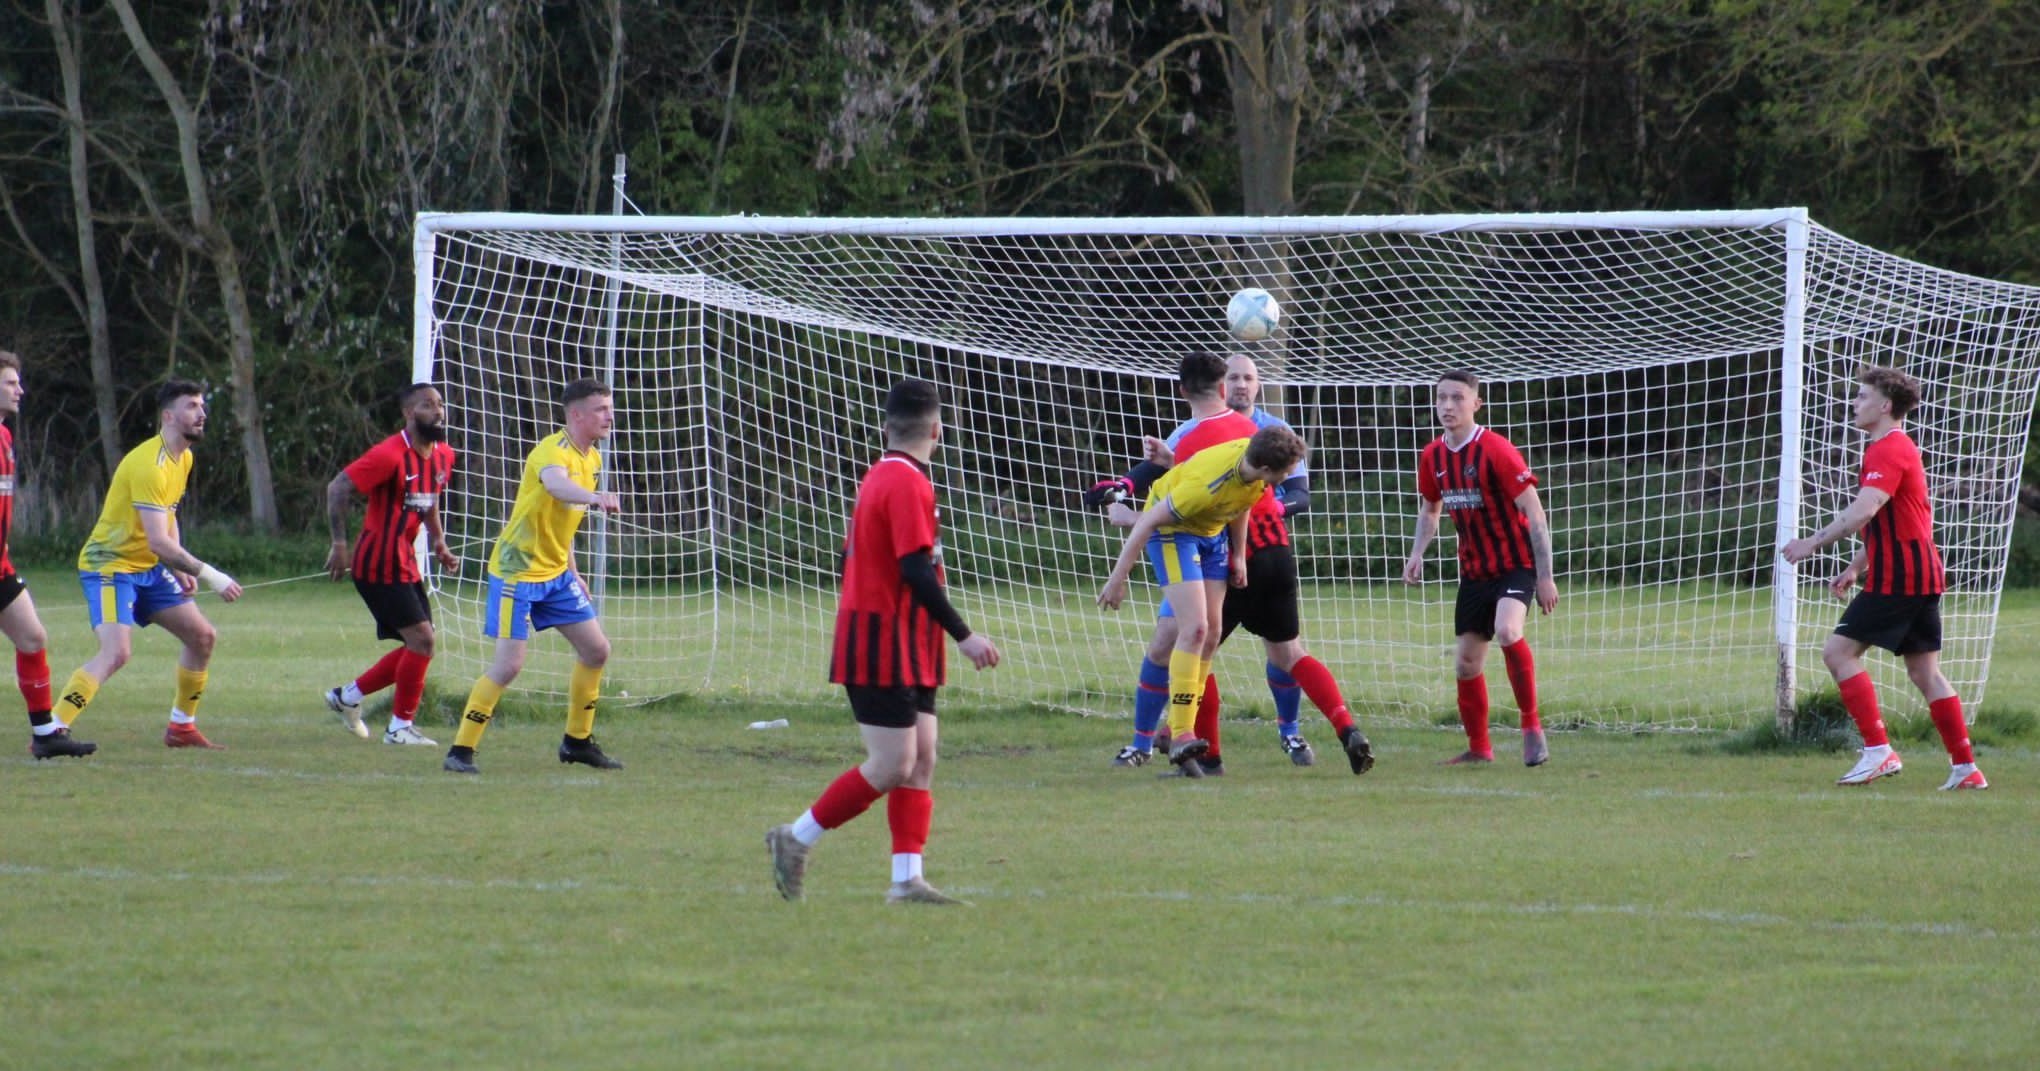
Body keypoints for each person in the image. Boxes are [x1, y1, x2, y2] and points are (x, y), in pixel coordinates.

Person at [765, 378, 1001, 905]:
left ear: (886, 427)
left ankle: (906, 880)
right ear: (939, 430)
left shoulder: (889, 475)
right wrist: (964, 636)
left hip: (909, 641)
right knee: (892, 763)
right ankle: (794, 837)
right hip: (880, 640)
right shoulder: (903, 482)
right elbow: (916, 570)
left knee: (921, 759)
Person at [1782, 367, 1986, 790]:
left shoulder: (1888, 449)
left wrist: (1810, 544)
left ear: (1885, 406)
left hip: (1901, 578)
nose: (1854, 405)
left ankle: (1878, 750)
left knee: (1838, 653)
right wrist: (1857, 566)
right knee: (1924, 672)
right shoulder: (1895, 448)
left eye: (1861, 397)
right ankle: (1966, 768)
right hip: (1921, 573)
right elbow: (1899, 520)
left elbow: (1864, 512)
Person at [1098, 424, 1309, 776]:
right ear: (1268, 471)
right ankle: (1180, 733)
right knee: (1194, 629)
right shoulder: (1206, 487)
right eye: (1285, 474)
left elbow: (1243, 502)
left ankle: (1175, 731)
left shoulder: (1253, 468)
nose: (1287, 478)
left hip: (1211, 536)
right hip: (1172, 536)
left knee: (1211, 634)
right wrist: (1118, 580)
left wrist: (1239, 556)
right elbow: (1147, 521)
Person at [442, 377, 622, 775]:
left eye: (609, 408)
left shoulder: (591, 457)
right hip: (517, 573)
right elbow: (557, 488)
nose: (610, 416)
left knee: (597, 651)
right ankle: (460, 752)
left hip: (556, 575)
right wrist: (595, 497)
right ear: (576, 414)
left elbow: (563, 522)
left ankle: (577, 742)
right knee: (509, 666)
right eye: (600, 409)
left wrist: (572, 572)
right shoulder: (550, 451)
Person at [1083, 352, 1254, 771]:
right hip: (1197, 543)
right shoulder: (1245, 432)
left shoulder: (1188, 436)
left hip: (1204, 540)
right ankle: (1163, 739)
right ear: (1223, 388)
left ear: (1181, 391)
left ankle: (1166, 737)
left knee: (1185, 640)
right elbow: (1189, 493)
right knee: (1194, 637)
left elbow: (1184, 493)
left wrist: (1127, 505)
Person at [53, 379, 245, 751]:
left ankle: (182, 728)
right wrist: (210, 575)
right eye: (192, 406)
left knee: (202, 637)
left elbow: (168, 517)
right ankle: (53, 728)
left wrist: (177, 566)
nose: (202, 413)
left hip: (148, 568)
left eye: (202, 406)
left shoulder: (184, 457)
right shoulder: (150, 464)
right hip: (109, 565)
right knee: (116, 653)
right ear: (168, 416)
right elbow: (158, 540)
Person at [1400, 370, 1558, 766]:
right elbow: (1431, 509)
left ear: (1476, 404)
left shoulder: (1497, 450)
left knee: (1507, 630)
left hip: (1515, 565)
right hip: (1474, 571)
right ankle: (1479, 749)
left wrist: (1544, 576)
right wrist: (1417, 552)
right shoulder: (1432, 456)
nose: (1448, 406)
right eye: (1441, 399)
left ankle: (1532, 729)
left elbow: (1535, 514)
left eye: (1457, 398)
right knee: (1467, 663)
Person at [321, 383, 458, 745]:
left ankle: (347, 696)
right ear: (409, 414)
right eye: (428, 405)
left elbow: (429, 500)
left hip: (405, 561)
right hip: (377, 562)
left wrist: (439, 540)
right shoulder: (390, 454)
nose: (438, 411)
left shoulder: (444, 455)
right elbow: (337, 487)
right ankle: (399, 728)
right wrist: (339, 543)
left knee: (420, 645)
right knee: (422, 641)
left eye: (440, 404)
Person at [0, 351, 85, 759]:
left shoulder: (5, 437)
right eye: (11, 383)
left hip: (0, 565)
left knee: (32, 637)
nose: (21, 390)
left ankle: (46, 735)